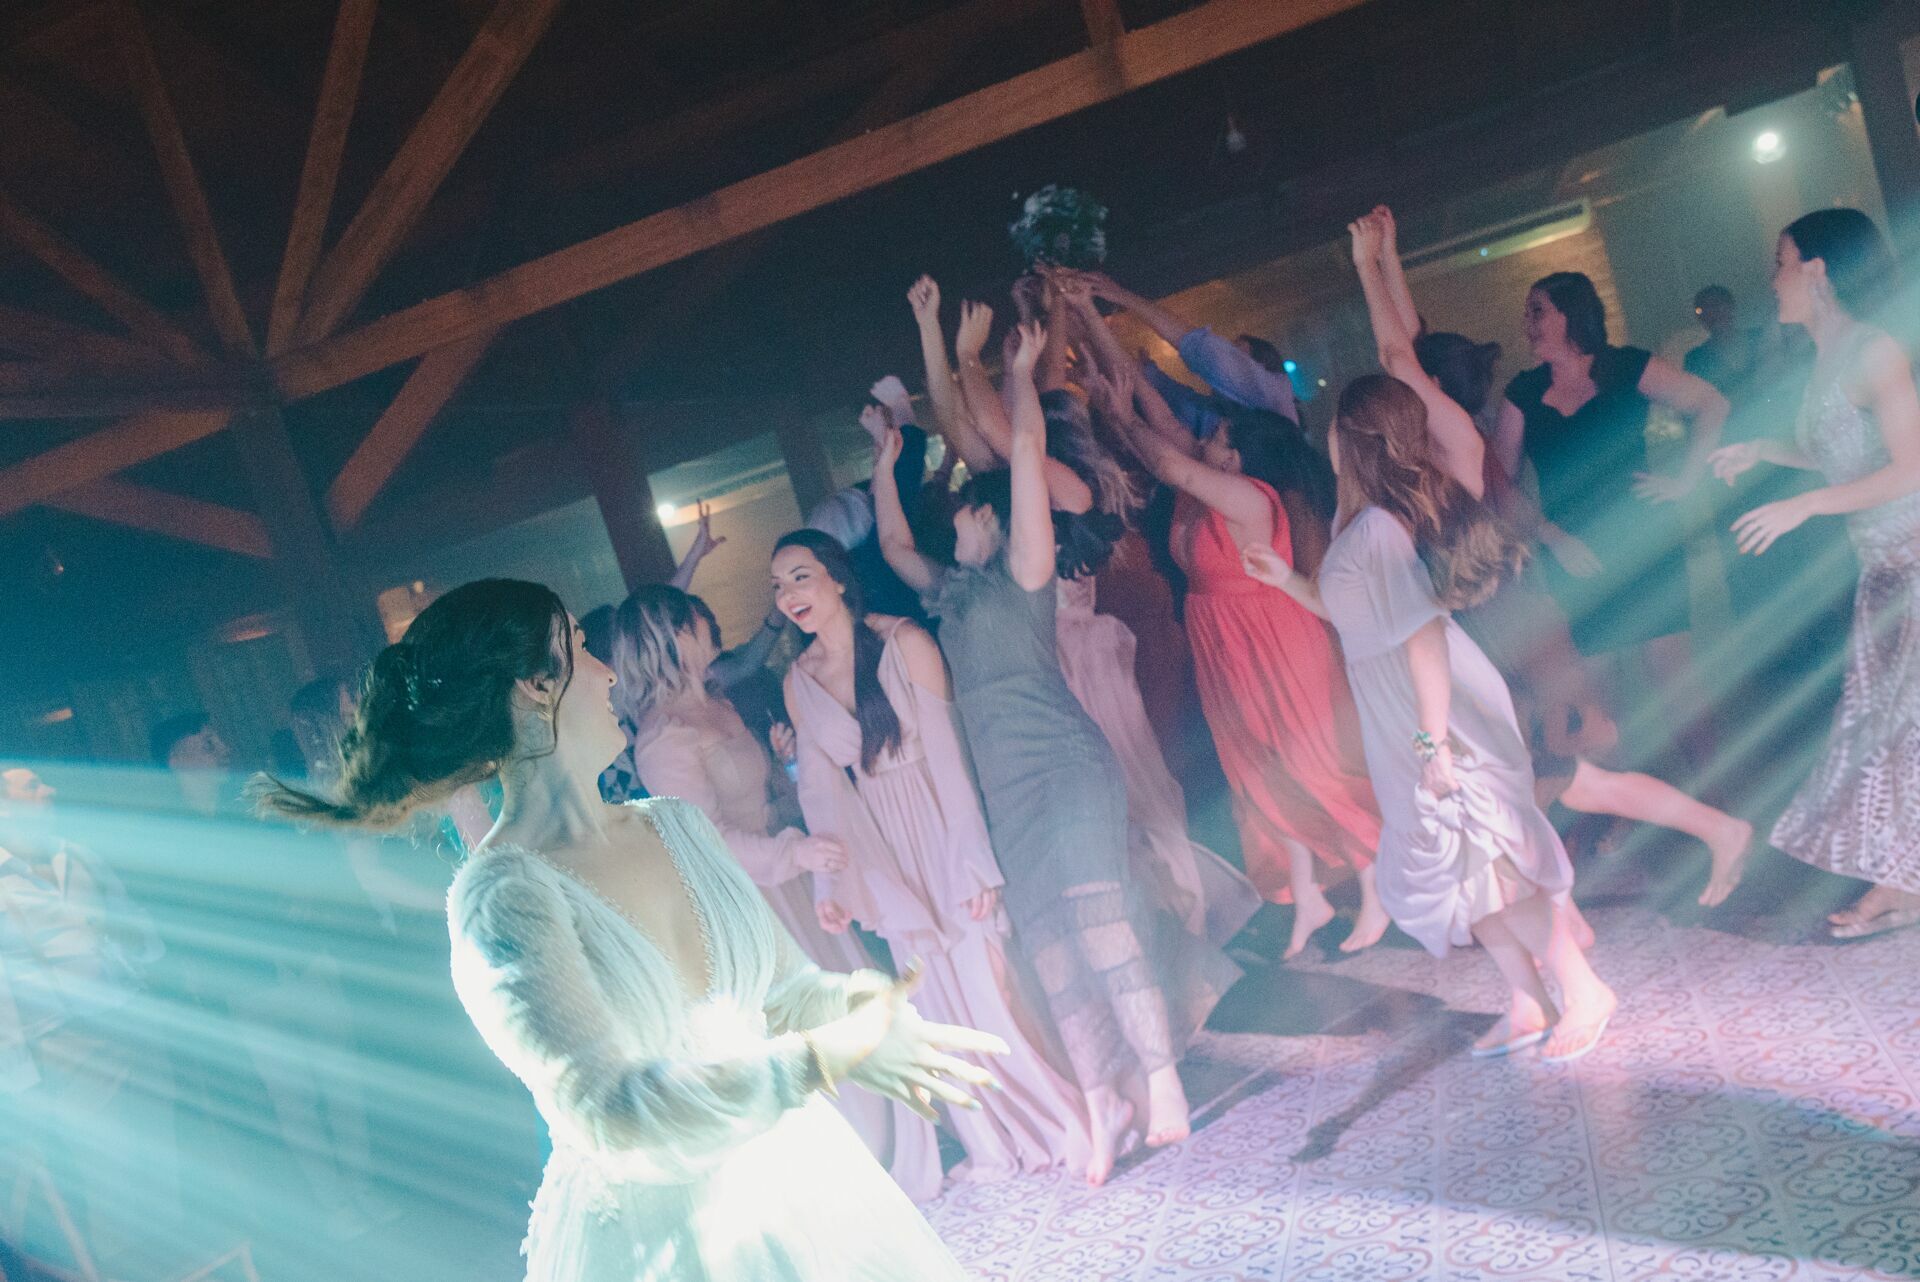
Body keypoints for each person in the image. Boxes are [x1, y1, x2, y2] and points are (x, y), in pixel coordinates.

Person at [254, 578, 996, 1280]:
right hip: (670, 1239)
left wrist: (863, 1006)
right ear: (534, 685)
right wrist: (816, 1061)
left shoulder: (676, 824)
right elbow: (610, 1110)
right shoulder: (502, 896)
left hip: (801, 1182)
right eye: (582, 646)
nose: (610, 673)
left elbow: (790, 990)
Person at [873, 317, 1240, 1183]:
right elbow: (892, 546)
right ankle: (1104, 1094)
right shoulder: (951, 594)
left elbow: (1025, 448)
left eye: (969, 504)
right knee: (1049, 948)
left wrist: (1020, 370)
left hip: (1068, 769)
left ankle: (1160, 1081)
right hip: (1008, 793)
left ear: (993, 523)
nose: (957, 509)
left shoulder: (1025, 575)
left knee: (1102, 926)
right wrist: (888, 461)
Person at [1245, 321, 1617, 1063]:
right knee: (1456, 867)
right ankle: (1528, 1000)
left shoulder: (1380, 529)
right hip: (1398, 708)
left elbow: (1419, 636)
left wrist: (1434, 742)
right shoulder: (1358, 521)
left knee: (1492, 857)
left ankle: (1583, 990)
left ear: (1351, 439)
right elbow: (1361, 623)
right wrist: (1288, 582)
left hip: (1431, 706)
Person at [773, 528, 1089, 1183]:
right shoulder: (797, 683)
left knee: (990, 986)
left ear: (836, 578)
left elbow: (950, 755)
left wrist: (973, 857)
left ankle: (1064, 1120)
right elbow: (821, 792)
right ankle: (989, 1142)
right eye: (778, 586)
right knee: (934, 1003)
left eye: (800, 576)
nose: (788, 595)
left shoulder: (904, 643)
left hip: (941, 824)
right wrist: (832, 888)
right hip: (881, 847)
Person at [610, 584, 945, 1200]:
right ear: (672, 638)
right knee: (808, 1032)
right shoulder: (662, 738)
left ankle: (903, 1160)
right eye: (695, 616)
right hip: (752, 899)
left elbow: (757, 801)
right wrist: (792, 852)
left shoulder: (718, 704)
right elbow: (704, 838)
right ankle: (858, 1185)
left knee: (850, 1006)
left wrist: (788, 772)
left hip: (789, 878)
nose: (709, 619)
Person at [1090, 353, 1387, 959]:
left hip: (1272, 638)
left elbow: (1167, 455)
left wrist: (1117, 416)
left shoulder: (1249, 496)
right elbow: (1170, 438)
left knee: (1311, 764)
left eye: (1218, 435)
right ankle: (1308, 895)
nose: (1204, 437)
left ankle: (1379, 886)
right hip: (1222, 645)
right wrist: (1099, 328)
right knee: (1255, 773)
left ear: (1235, 458)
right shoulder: (1204, 493)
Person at [1710, 209, 1920, 939]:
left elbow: (1910, 466)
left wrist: (1807, 506)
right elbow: (1841, 448)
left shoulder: (1874, 349)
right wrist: (1767, 452)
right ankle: (1901, 886)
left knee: (1899, 729)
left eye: (1780, 261)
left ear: (1819, 269)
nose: (1771, 280)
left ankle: (1897, 887)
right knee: (1890, 734)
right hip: (1884, 569)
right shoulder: (1826, 358)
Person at [1492, 270, 1730, 746]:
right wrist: (1552, 538)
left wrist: (1685, 481)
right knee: (1599, 708)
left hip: (1641, 539)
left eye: (1537, 311)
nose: (1528, 323)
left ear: (1570, 314)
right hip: (1573, 553)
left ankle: (1717, 801)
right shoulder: (1523, 392)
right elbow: (1498, 485)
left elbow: (1712, 404)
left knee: (1678, 686)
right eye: (1527, 314)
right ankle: (1625, 813)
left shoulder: (1625, 366)